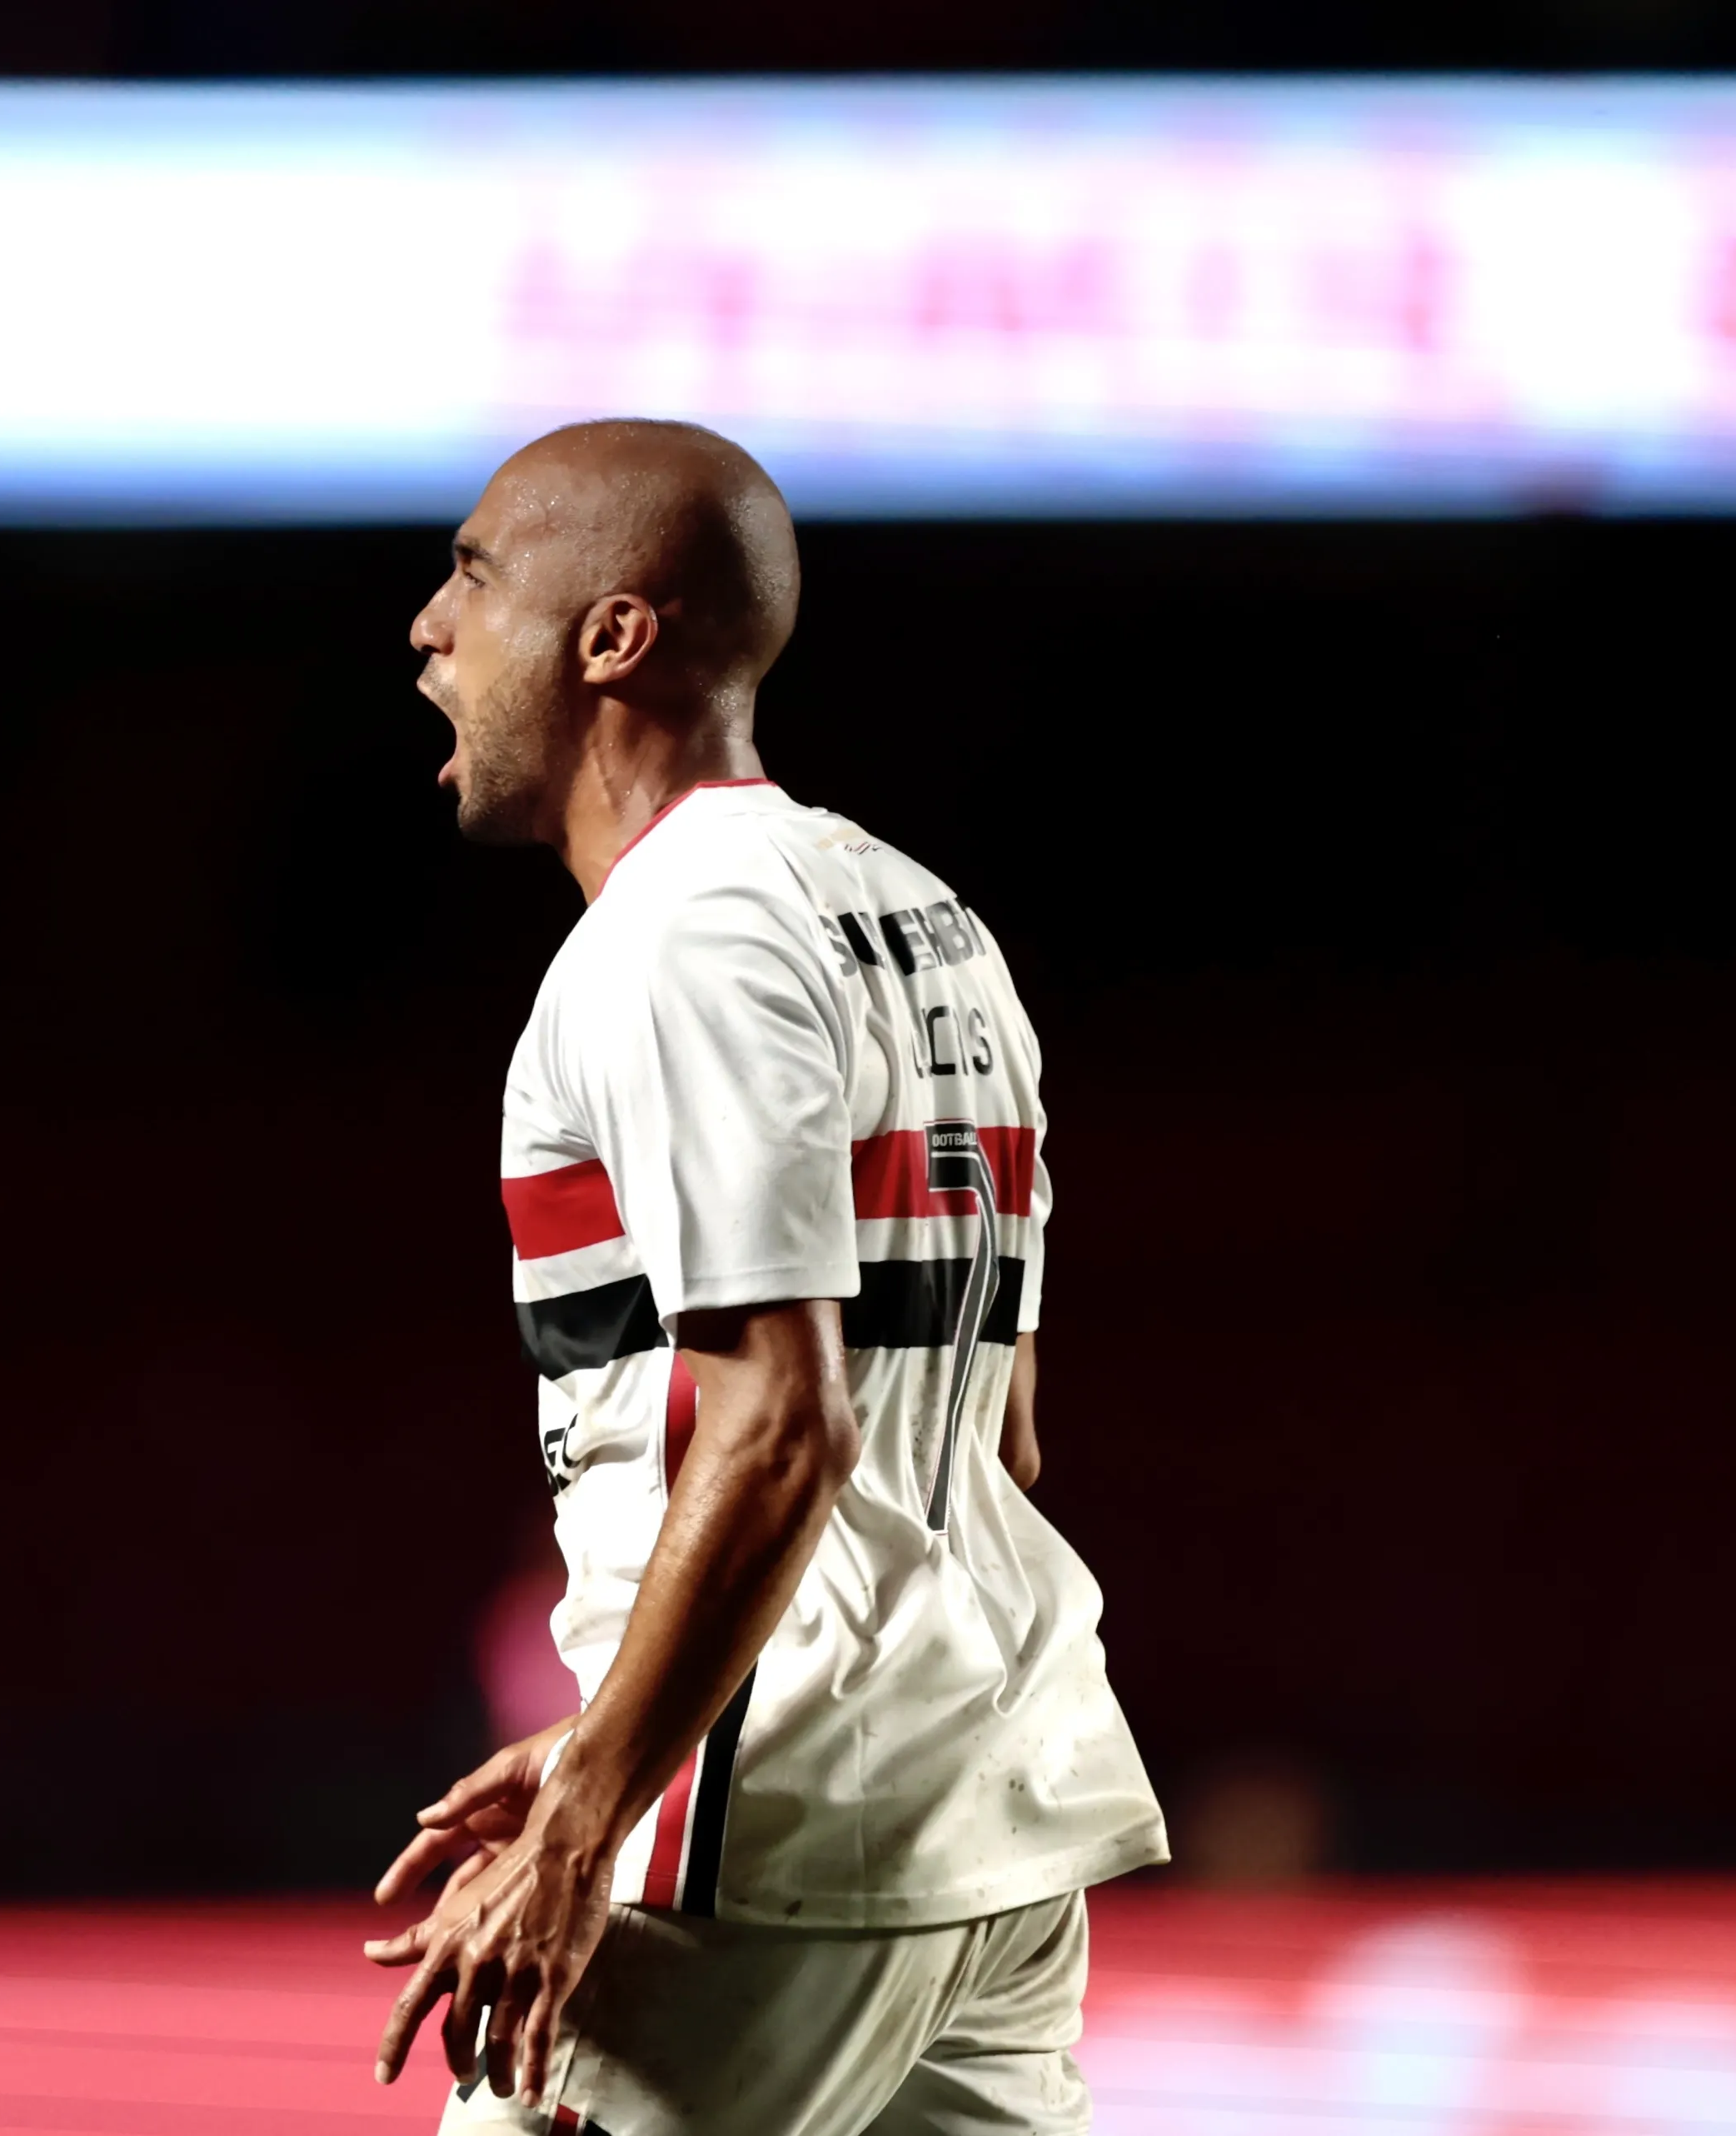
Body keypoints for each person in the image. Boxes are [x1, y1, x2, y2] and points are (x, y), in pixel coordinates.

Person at [367, 420, 1167, 2136]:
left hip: (778, 1824)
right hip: (991, 1805)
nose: (429, 625)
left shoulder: (675, 940)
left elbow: (785, 1425)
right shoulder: (927, 920)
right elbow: (998, 1433)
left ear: (611, 635)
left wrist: (593, 1803)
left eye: (474, 575)